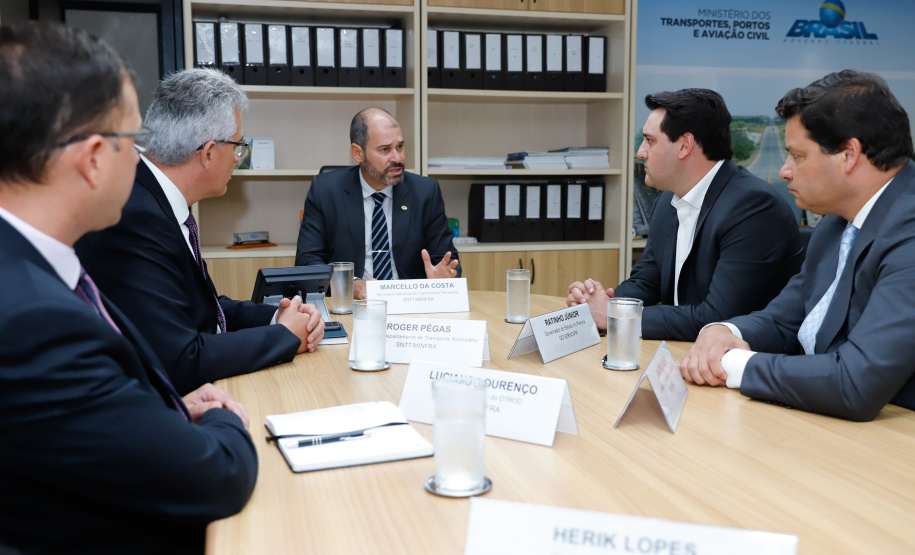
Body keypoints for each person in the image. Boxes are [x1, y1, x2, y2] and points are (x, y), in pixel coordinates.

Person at [0, 22, 256, 553]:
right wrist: (228, 422)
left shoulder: (34, 263)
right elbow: (217, 476)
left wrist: (163, 412)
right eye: (134, 139)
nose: (145, 156)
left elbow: (70, 423)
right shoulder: (32, 320)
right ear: (94, 159)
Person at [679, 70, 915, 422]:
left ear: (849, 154)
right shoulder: (836, 223)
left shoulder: (909, 232)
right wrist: (724, 332)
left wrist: (732, 363)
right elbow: (785, 322)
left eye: (797, 156)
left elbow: (855, 382)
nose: (785, 171)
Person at [76, 68, 324, 395]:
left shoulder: (150, 195)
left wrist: (276, 317)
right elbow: (180, 359)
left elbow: (200, 306)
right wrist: (284, 335)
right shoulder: (136, 216)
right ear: (208, 154)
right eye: (238, 147)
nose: (238, 158)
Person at [567, 89, 803, 341]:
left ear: (684, 146)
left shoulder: (753, 207)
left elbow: (716, 317)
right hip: (683, 353)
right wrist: (600, 304)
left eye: (650, 141)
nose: (640, 152)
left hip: (739, 365)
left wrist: (615, 316)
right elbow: (647, 281)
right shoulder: (668, 200)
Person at [295, 107, 460, 300]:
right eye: (385, 149)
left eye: (400, 147)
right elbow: (307, 262)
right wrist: (351, 285)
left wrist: (443, 279)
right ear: (358, 153)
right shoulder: (325, 191)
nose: (397, 158)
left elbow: (447, 261)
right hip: (353, 305)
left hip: (411, 304)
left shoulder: (425, 192)